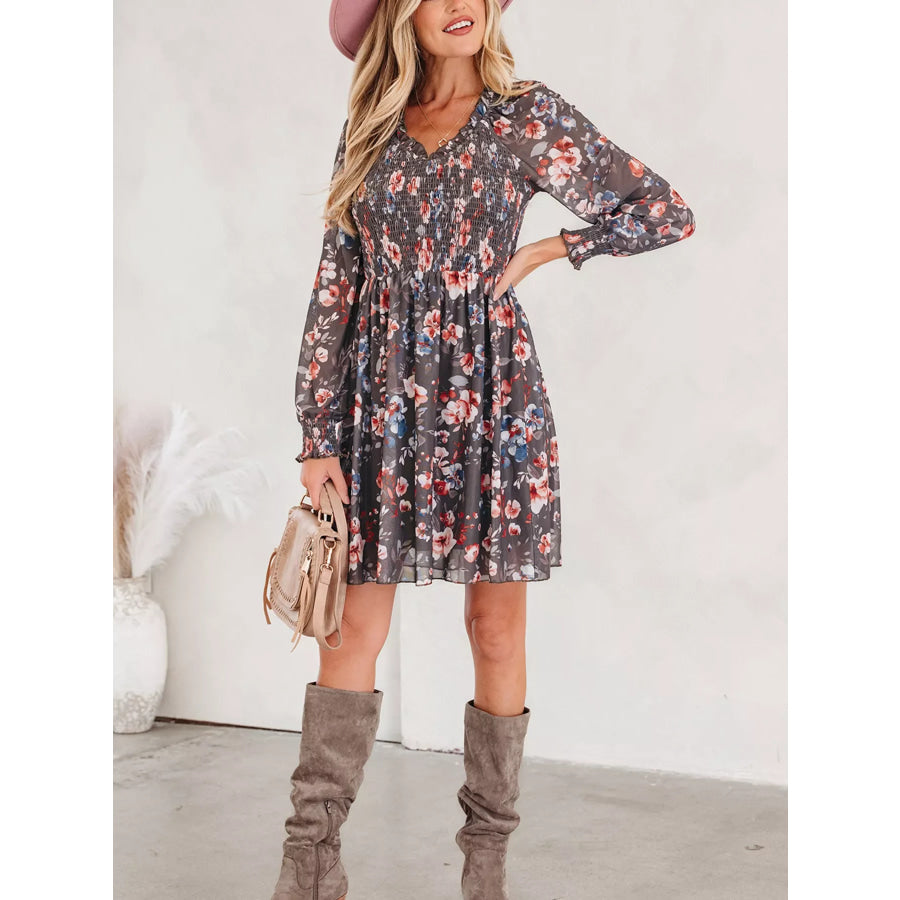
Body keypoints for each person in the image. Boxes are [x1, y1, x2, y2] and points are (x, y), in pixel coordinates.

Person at [271, 1, 696, 898]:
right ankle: (309, 869)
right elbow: (336, 281)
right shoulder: (370, 125)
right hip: (378, 410)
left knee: (494, 629)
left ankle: (485, 871)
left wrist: (552, 248)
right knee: (349, 630)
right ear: (402, 12)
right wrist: (316, 431)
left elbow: (663, 210)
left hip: (495, 400)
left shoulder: (524, 115)